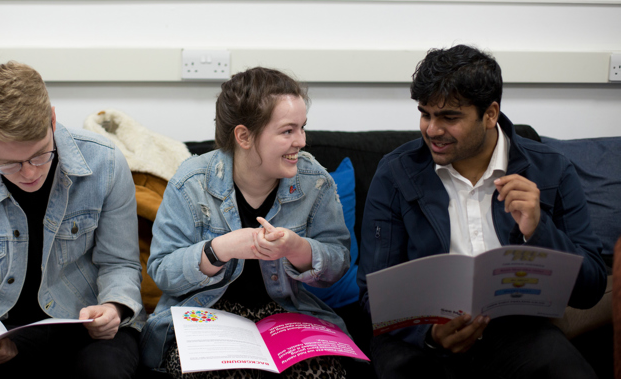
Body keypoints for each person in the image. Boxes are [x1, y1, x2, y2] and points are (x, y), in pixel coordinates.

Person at [356, 45, 607, 379]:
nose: (432, 129)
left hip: (514, 333)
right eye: (426, 113)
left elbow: (591, 288)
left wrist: (539, 229)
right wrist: (428, 334)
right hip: (417, 336)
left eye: (449, 117)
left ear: (490, 114)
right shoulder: (395, 174)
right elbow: (372, 295)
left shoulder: (551, 171)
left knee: (566, 369)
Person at [0, 61, 144, 379]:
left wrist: (113, 307)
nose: (30, 172)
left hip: (88, 327)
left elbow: (120, 263)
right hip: (2, 327)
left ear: (52, 119)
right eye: (10, 163)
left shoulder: (105, 163)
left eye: (40, 154)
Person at [140, 67, 352, 378]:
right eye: (287, 131)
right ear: (244, 136)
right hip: (206, 316)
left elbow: (338, 263)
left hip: (286, 314)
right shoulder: (191, 182)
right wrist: (218, 250)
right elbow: (162, 273)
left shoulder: (314, 181)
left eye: (302, 128)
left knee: (325, 373)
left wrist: (298, 249)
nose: (301, 141)